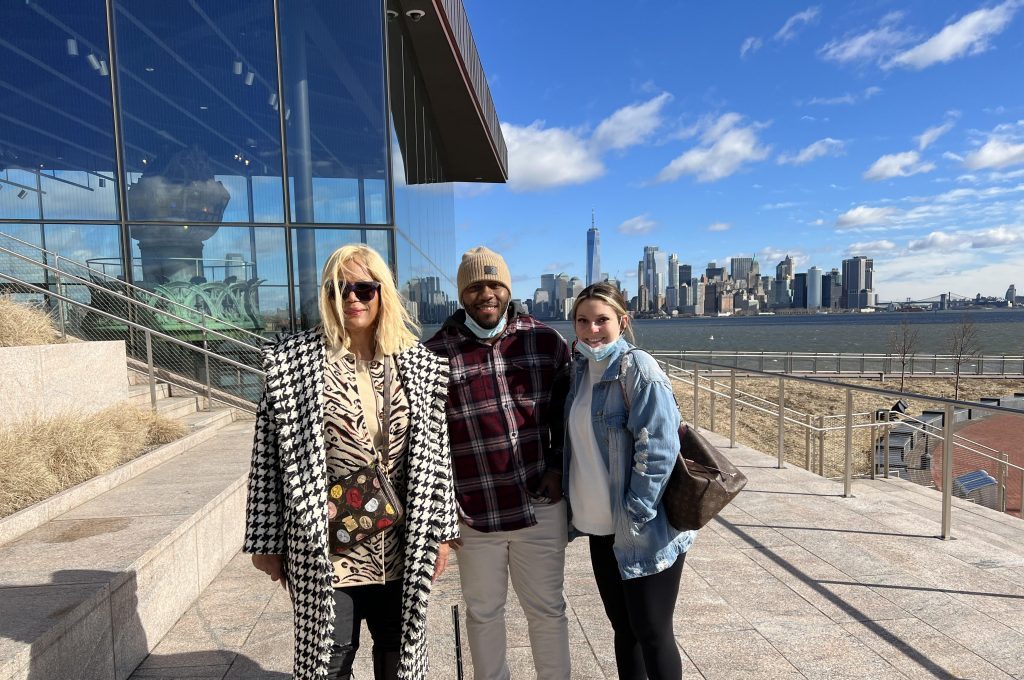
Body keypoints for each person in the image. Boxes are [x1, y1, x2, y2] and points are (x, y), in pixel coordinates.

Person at [244, 244, 458, 680]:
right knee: (330, 656)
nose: (353, 299)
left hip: (402, 539)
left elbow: (439, 456)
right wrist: (265, 540)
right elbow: (266, 457)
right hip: (325, 539)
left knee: (399, 653)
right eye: (340, 289)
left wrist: (444, 534)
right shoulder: (293, 364)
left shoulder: (420, 364)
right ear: (327, 296)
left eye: (364, 288)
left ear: (384, 294)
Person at [425, 246, 572, 680]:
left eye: (494, 284)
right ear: (461, 294)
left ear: (507, 288)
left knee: (548, 611)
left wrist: (558, 467)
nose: (485, 293)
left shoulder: (545, 342)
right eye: (475, 286)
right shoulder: (433, 354)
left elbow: (566, 416)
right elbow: (430, 441)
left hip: (539, 508)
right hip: (474, 513)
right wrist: (442, 513)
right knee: (484, 613)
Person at [563, 282, 696, 680]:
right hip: (599, 528)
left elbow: (657, 450)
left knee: (653, 633)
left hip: (641, 526)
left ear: (622, 321)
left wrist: (634, 513)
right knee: (625, 631)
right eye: (583, 321)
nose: (592, 330)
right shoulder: (581, 370)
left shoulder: (638, 369)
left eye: (602, 320)